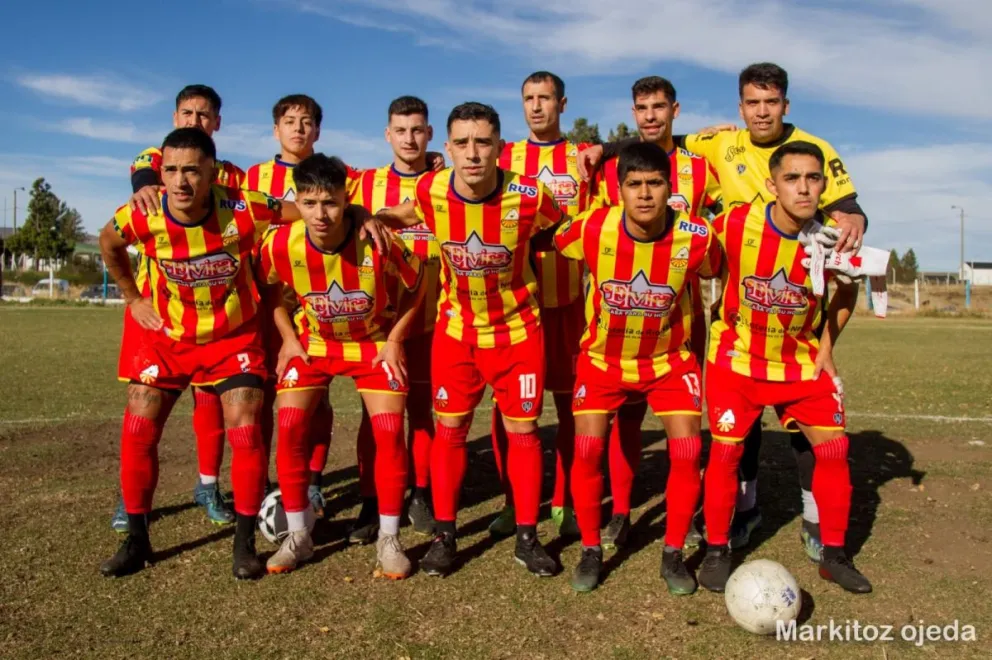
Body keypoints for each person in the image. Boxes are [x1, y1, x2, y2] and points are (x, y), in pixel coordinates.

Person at [581, 63, 868, 559]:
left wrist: (856, 216)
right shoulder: (714, 145)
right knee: (712, 423)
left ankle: (804, 518)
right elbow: (657, 141)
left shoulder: (806, 150)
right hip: (672, 310)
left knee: (785, 424)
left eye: (771, 102)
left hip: (749, 303)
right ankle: (688, 510)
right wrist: (603, 148)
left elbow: (847, 205)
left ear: (785, 105)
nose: (762, 111)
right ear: (741, 107)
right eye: (753, 102)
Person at [374, 102, 567, 577]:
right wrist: (366, 214)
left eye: (483, 142)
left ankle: (527, 537)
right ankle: (445, 535)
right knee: (451, 429)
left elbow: (558, 230)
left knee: (523, 432)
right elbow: (404, 213)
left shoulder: (529, 195)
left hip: (517, 332)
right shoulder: (431, 188)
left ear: (500, 146)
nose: (473, 153)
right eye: (462, 143)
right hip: (456, 331)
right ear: (448, 147)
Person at [98, 128, 286, 579]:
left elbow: (307, 213)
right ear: (160, 172)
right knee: (138, 426)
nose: (180, 182)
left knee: (245, 430)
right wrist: (132, 298)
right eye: (171, 170)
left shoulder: (244, 207)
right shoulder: (142, 214)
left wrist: (359, 215)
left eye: (192, 171)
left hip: (232, 338)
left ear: (211, 172)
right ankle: (137, 541)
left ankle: (244, 545)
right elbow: (108, 241)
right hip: (167, 337)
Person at [698, 140, 871, 595]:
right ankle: (717, 548)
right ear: (772, 184)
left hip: (800, 362)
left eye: (813, 178)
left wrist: (827, 348)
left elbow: (848, 292)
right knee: (726, 452)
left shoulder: (832, 239)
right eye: (792, 178)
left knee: (833, 449)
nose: (803, 188)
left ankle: (834, 554)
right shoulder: (735, 223)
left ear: (824, 185)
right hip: (737, 360)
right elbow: (699, 260)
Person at [550, 142, 720, 593]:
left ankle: (673, 552)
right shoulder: (591, 227)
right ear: (619, 189)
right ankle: (591, 549)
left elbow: (716, 269)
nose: (644, 194)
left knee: (688, 451)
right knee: (588, 449)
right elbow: (550, 240)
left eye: (655, 183)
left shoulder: (696, 236)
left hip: (669, 361)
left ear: (670, 187)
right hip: (603, 361)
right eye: (634, 184)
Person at [258, 153, 425, 578]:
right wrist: (288, 338)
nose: (320, 214)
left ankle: (389, 539)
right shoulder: (281, 243)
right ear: (297, 201)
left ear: (345, 199)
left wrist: (395, 340)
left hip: (372, 344)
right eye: (309, 203)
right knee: (290, 424)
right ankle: (299, 535)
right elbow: (270, 289)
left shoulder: (377, 239)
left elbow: (418, 282)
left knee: (389, 430)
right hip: (314, 344)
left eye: (330, 203)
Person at [586, 76, 722, 550]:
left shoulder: (701, 169)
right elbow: (598, 230)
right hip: (621, 316)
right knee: (625, 418)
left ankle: (690, 513)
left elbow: (725, 220)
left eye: (658, 107)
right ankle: (621, 512)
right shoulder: (611, 168)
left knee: (686, 422)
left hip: (682, 317)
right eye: (641, 108)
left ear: (674, 111)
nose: (650, 116)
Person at [112, 84, 245, 532]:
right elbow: (144, 178)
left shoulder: (231, 175)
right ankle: (130, 499)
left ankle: (208, 485)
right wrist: (148, 188)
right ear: (175, 117)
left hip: (215, 312)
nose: (195, 121)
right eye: (187, 113)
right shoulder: (156, 160)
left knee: (209, 400)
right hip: (159, 312)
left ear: (217, 122)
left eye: (203, 115)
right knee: (143, 412)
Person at [490, 71, 592, 539]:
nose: (536, 106)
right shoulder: (504, 155)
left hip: (570, 301)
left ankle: (564, 501)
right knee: (507, 406)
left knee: (570, 406)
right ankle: (513, 500)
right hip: (515, 305)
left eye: (545, 98)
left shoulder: (583, 157)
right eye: (528, 98)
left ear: (562, 104)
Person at [349, 95, 440, 537]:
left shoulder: (445, 182)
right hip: (379, 324)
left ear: (429, 134)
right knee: (375, 416)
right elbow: (323, 198)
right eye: (400, 130)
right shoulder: (363, 184)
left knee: (422, 411)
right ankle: (372, 500)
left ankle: (421, 493)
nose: (409, 138)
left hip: (435, 316)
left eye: (417, 130)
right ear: (387, 135)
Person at [243, 94, 336, 519]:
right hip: (263, 301)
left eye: (307, 121)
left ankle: (313, 481)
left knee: (316, 397)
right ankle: (262, 481)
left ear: (317, 129)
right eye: (290, 121)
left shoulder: (336, 173)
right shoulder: (254, 177)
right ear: (275, 128)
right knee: (259, 395)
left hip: (315, 303)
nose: (298, 128)